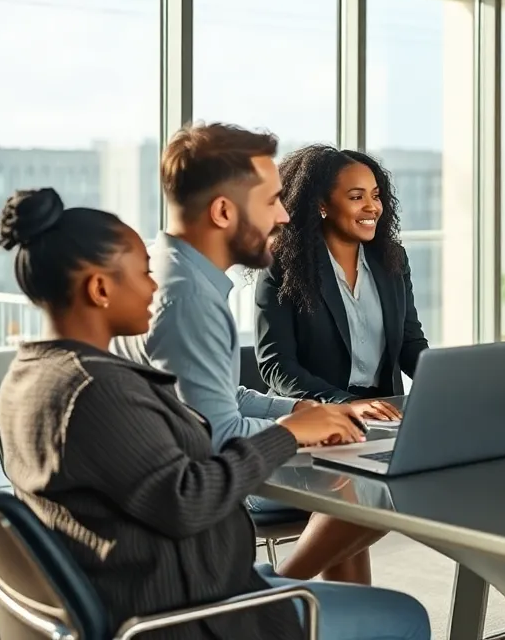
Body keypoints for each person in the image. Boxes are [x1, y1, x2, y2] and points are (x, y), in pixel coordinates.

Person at [0, 188, 431, 640]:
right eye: (144, 272)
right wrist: (287, 434)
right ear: (100, 288)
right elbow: (190, 499)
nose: (153, 286)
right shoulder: (96, 391)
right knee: (406, 615)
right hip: (190, 616)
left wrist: (299, 419)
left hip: (144, 591)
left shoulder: (32, 376)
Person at [112, 122, 397, 585]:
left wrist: (311, 411)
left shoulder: (181, 278)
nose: (284, 217)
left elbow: (224, 398)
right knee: (368, 488)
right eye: (270, 202)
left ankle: (293, 595)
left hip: (190, 486)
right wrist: (302, 428)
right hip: (203, 501)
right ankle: (277, 592)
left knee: (360, 477)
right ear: (224, 212)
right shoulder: (186, 300)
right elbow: (219, 436)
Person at [255, 145, 428, 402]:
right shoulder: (283, 265)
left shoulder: (392, 260)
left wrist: (445, 381)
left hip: (383, 411)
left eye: (376, 196)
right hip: (315, 413)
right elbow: (277, 366)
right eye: (357, 197)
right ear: (322, 204)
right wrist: (345, 404)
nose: (372, 207)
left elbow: (409, 343)